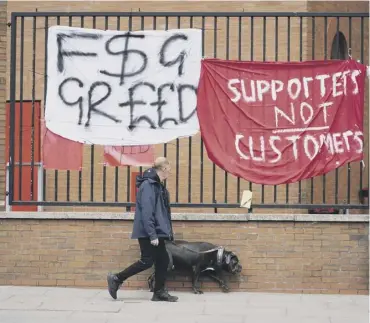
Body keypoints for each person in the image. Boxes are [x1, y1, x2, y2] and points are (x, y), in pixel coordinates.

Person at [107, 157, 178, 302]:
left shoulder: (157, 185)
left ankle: (159, 292)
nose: (170, 173)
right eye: (169, 170)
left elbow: (161, 211)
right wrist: (152, 234)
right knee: (147, 261)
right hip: (149, 232)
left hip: (156, 231)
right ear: (163, 169)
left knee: (163, 260)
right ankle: (117, 278)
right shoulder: (148, 185)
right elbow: (147, 211)